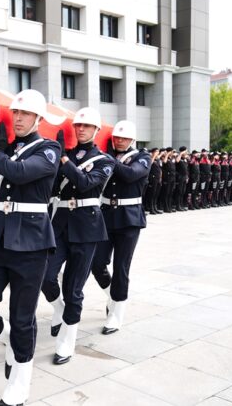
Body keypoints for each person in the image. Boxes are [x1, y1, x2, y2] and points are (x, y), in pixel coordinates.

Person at [0, 89, 61, 406]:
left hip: (31, 243)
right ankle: (8, 336)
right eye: (15, 114)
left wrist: (0, 153)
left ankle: (20, 381)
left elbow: (21, 173)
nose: (18, 118)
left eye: (24, 114)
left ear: (37, 118)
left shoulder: (48, 149)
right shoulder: (7, 152)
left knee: (23, 318)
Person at [42, 106, 114, 365]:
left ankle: (67, 340)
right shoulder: (64, 154)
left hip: (86, 227)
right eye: (78, 126)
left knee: (74, 287)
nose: (81, 129)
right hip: (60, 224)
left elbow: (85, 183)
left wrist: (63, 161)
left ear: (95, 130)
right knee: (45, 275)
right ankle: (59, 309)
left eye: (86, 126)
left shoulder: (105, 160)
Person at [91, 121, 151, 334]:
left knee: (121, 267)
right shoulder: (107, 156)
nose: (119, 141)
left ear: (132, 140)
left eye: (124, 138)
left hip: (129, 219)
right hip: (106, 216)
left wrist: (106, 157)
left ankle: (116, 313)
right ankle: (112, 296)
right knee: (96, 263)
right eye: (116, 138)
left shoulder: (143, 157)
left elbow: (130, 174)